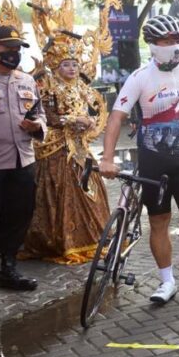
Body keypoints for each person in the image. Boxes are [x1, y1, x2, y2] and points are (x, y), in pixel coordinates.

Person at [100, 14, 179, 304]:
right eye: (166, 41)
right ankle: (167, 282)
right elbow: (116, 117)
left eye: (178, 40)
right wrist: (108, 158)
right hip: (153, 160)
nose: (173, 45)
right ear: (152, 45)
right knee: (159, 220)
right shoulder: (141, 77)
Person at [22, 32, 111, 263]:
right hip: (57, 147)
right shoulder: (48, 87)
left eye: (74, 64)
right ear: (56, 66)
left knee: (89, 186)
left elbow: (89, 111)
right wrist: (72, 120)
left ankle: (93, 235)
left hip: (80, 146)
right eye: (66, 64)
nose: (72, 69)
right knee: (61, 188)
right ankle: (63, 239)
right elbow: (47, 117)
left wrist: (88, 121)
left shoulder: (80, 87)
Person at [0, 24, 43, 290]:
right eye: (8, 48)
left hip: (22, 161)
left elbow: (40, 113)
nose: (14, 53)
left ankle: (8, 270)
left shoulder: (27, 80)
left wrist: (37, 126)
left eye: (17, 48)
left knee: (18, 216)